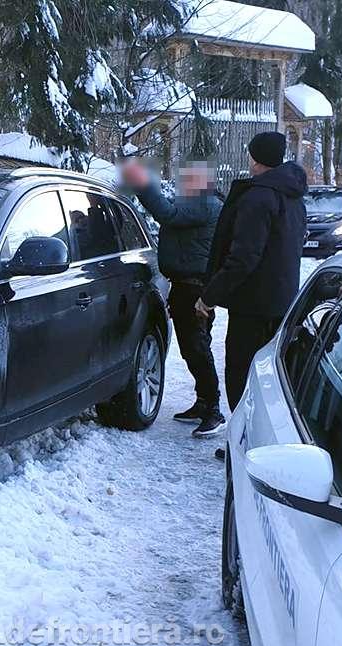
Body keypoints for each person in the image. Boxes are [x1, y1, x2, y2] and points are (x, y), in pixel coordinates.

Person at [199, 131, 307, 419]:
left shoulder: (259, 197)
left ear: (257, 158)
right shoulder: (292, 196)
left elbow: (244, 258)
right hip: (280, 303)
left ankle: (245, 441)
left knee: (241, 375)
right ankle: (259, 440)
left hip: (252, 307)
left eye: (250, 153)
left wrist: (209, 296)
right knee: (268, 379)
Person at [121, 158, 226, 437]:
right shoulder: (200, 203)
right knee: (194, 348)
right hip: (188, 286)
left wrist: (143, 184)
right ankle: (203, 402)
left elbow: (167, 213)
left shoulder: (205, 204)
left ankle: (214, 410)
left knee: (197, 348)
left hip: (194, 289)